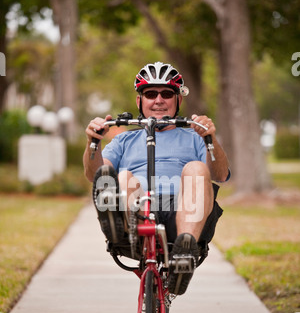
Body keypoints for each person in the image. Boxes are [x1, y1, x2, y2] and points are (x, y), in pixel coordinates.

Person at [83, 62, 230, 295]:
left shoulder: (194, 137)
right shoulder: (123, 141)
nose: (159, 100)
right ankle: (117, 225)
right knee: (119, 176)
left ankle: (184, 254)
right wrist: (94, 144)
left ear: (178, 100)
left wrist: (209, 139)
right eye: (150, 94)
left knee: (196, 168)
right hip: (137, 214)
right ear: (139, 101)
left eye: (167, 94)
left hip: (182, 214)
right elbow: (96, 175)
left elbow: (220, 175)